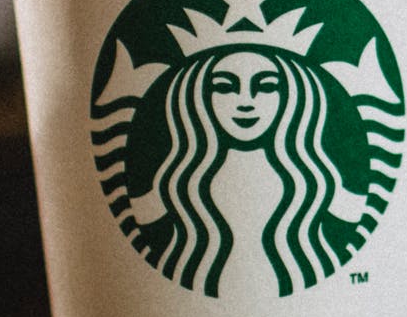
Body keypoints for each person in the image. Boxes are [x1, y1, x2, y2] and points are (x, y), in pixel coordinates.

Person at [128, 43, 375, 297]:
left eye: (266, 86)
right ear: (201, 96)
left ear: (290, 97)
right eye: (225, 87)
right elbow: (141, 215)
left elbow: (359, 214)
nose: (246, 101)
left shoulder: (316, 178)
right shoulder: (177, 180)